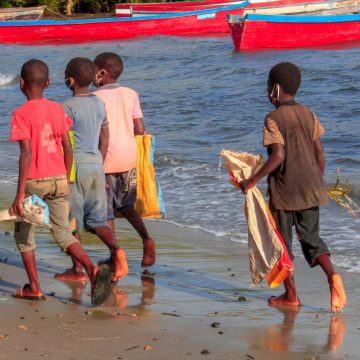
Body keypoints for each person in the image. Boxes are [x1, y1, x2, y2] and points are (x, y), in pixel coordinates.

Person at [239, 62, 347, 313]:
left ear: (275, 89)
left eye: (268, 86)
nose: (266, 92)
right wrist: (316, 181)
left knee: (282, 244)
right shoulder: (309, 113)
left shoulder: (273, 118)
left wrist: (252, 180)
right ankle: (332, 276)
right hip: (312, 188)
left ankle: (291, 295)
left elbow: (277, 156)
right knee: (311, 238)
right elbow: (320, 154)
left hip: (285, 191)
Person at [10, 59, 111, 306]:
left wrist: (20, 193)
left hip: (35, 180)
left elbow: (26, 154)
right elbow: (68, 146)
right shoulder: (57, 109)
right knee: (63, 232)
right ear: (47, 83)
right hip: (59, 178)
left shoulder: (20, 114)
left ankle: (34, 287)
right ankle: (91, 268)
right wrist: (65, 178)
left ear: (22, 84)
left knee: (24, 235)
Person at [54, 57, 128, 284]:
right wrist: (101, 163)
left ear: (71, 80)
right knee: (97, 220)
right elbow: (105, 137)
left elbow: (63, 143)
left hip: (75, 168)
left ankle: (77, 270)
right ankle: (116, 250)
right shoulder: (98, 103)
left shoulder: (65, 107)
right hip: (97, 165)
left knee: (71, 219)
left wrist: (63, 175)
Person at [92, 52, 156, 268]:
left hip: (106, 160)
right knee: (127, 205)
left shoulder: (95, 98)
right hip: (129, 158)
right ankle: (147, 239)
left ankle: (114, 255)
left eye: (94, 69)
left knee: (107, 210)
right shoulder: (130, 93)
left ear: (102, 72)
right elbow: (140, 129)